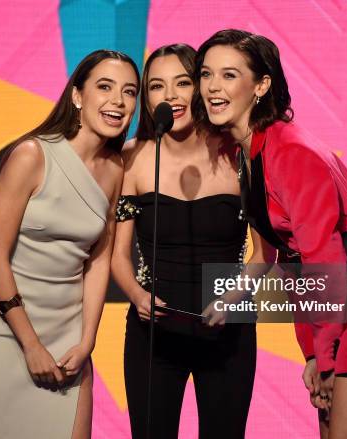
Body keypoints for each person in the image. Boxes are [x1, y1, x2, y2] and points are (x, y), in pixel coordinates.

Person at [193, 29, 347, 439]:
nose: (213, 87)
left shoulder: (289, 153)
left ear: (262, 84)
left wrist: (326, 356)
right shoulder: (249, 152)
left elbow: (322, 259)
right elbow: (271, 257)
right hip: (338, 308)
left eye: (229, 75)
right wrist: (230, 303)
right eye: (206, 74)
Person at [0, 49, 139, 439]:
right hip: (6, 333)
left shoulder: (115, 170)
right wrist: (30, 345)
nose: (117, 101)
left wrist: (87, 340)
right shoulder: (32, 155)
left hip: (68, 336)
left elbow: (98, 261)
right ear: (77, 95)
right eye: (105, 87)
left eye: (129, 92)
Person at [111, 44, 271, 439]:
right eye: (156, 86)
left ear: (200, 87)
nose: (170, 96)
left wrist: (232, 298)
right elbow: (117, 256)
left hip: (227, 330)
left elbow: (266, 252)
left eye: (182, 82)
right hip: (155, 335)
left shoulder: (240, 156)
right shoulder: (132, 159)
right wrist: (136, 295)